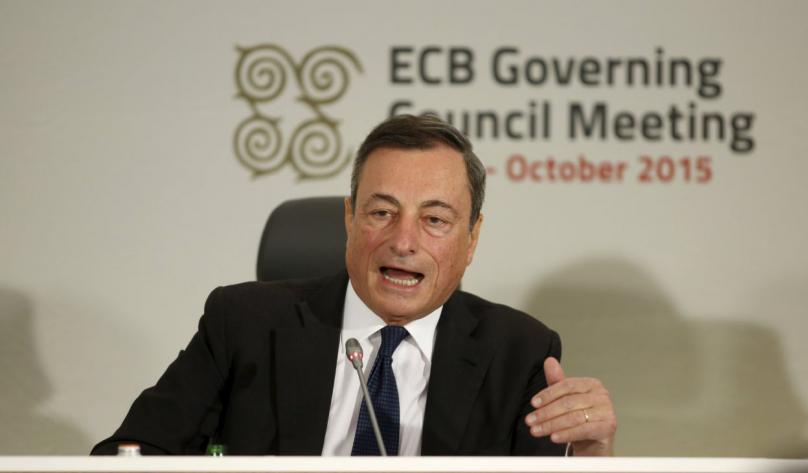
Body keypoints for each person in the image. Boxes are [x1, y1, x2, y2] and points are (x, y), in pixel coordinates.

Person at [92, 114, 616, 456]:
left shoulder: (519, 352)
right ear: (349, 218)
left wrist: (592, 461)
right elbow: (131, 454)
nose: (403, 241)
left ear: (472, 237)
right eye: (381, 212)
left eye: (435, 219)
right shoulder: (243, 323)